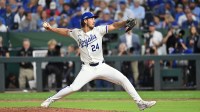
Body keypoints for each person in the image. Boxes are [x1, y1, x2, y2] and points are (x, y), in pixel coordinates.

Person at [41, 11, 156, 111]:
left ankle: (140, 103)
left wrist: (125, 22)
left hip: (102, 66)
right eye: (91, 18)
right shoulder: (77, 33)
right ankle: (49, 100)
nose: (94, 20)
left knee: (123, 79)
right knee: (74, 88)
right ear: (85, 21)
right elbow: (65, 31)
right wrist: (51, 28)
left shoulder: (98, 30)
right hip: (87, 68)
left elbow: (114, 26)